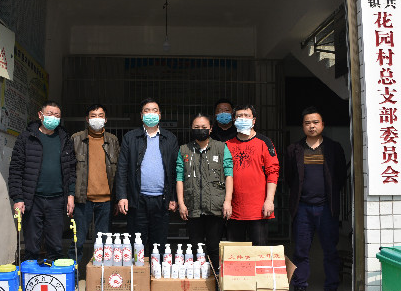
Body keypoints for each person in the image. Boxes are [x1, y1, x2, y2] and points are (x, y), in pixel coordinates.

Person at [285, 106, 346, 291]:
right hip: (302, 208)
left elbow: (340, 176)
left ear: (323, 125)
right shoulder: (294, 149)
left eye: (315, 122)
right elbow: (290, 178)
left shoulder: (333, 148)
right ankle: (299, 286)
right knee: (301, 250)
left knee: (330, 250)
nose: (312, 126)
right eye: (307, 123)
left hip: (326, 208)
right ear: (302, 126)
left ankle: (332, 288)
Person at [8, 101, 76, 262]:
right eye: (50, 114)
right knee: (32, 244)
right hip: (32, 199)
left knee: (55, 245)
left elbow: (71, 169)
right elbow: (15, 170)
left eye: (57, 115)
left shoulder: (64, 139)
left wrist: (71, 195)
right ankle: (31, 274)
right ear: (40, 115)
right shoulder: (26, 138)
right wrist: (18, 198)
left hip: (57, 199)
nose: (53, 117)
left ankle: (53, 275)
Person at [116, 98, 179, 252]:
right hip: (137, 200)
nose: (151, 113)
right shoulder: (130, 138)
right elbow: (122, 169)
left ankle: (156, 268)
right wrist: (122, 196)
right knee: (136, 245)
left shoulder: (170, 138)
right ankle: (138, 268)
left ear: (160, 115)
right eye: (147, 110)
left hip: (161, 200)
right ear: (141, 115)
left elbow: (175, 170)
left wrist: (173, 197)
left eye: (154, 110)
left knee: (159, 245)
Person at [176, 113, 233, 269]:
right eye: (196, 127)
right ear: (191, 129)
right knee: (196, 248)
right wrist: (181, 203)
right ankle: (199, 280)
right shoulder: (184, 150)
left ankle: (216, 280)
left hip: (215, 207)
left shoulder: (221, 148)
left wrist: (228, 201)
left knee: (214, 247)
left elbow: (229, 175)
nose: (200, 130)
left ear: (210, 129)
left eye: (203, 127)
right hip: (192, 207)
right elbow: (180, 177)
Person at [67, 104, 120, 268]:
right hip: (83, 199)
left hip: (106, 200)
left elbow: (119, 171)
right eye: (93, 115)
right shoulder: (76, 139)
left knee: (103, 242)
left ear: (106, 119)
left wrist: (118, 198)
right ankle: (73, 273)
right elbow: (69, 169)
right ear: (87, 119)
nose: (97, 119)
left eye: (100, 115)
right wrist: (70, 196)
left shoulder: (113, 140)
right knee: (78, 240)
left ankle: (99, 274)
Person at [225, 104, 279, 246]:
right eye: (239, 116)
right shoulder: (227, 144)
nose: (243, 119)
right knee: (235, 253)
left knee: (259, 251)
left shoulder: (264, 142)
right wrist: (226, 202)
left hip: (258, 210)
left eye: (247, 116)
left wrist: (269, 200)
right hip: (234, 210)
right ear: (234, 120)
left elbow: (273, 172)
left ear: (254, 120)